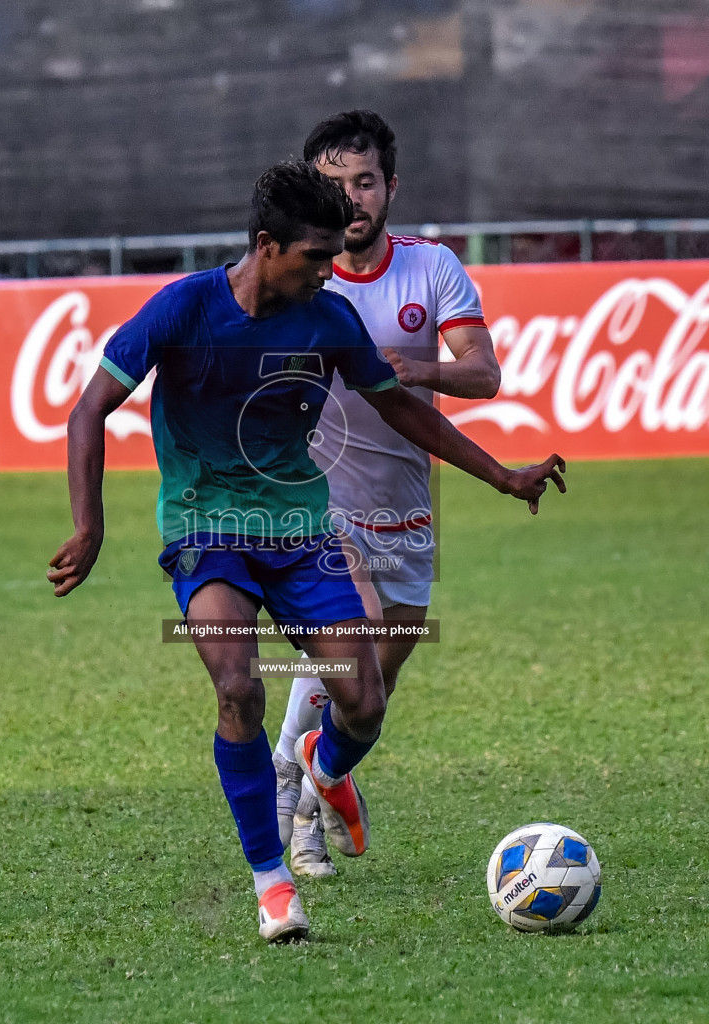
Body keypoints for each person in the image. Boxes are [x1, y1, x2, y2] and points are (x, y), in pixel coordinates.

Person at [48, 161, 564, 944]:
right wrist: (90, 525)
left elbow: (402, 412)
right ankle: (272, 882)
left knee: (363, 703)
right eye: (316, 257)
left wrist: (501, 475)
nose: (330, 272)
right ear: (267, 245)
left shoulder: (326, 320)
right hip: (206, 531)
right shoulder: (184, 309)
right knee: (238, 688)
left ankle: (326, 765)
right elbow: (90, 410)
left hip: (303, 537)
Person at [274, 110, 504, 876]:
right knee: (355, 631)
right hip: (316, 497)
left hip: (406, 506)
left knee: (373, 686)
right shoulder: (296, 277)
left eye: (365, 181)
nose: (353, 198)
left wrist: (419, 370)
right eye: (335, 185)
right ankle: (294, 806)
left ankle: (323, 775)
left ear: (390, 186)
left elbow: (484, 372)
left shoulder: (433, 269)